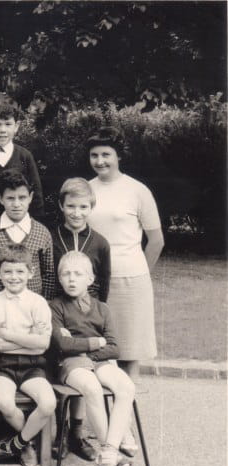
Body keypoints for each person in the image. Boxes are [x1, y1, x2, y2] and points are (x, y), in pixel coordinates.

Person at [50, 251, 135, 466]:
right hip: (70, 364)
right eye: (66, 274)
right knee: (92, 388)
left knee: (126, 387)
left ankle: (108, 454)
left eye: (78, 274)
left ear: (90, 279)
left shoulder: (102, 308)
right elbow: (63, 346)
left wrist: (83, 348)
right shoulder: (55, 307)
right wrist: (96, 342)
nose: (71, 279)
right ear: (59, 278)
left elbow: (115, 348)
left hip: (99, 360)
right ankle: (111, 460)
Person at [85, 127, 164, 382]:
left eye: (106, 154)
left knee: (129, 353)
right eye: (94, 155)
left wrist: (140, 274)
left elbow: (156, 241)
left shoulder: (137, 190)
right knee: (95, 351)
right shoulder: (85, 189)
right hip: (92, 282)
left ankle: (128, 405)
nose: (100, 161)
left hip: (130, 281)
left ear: (119, 156)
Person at [50, 177, 112, 461]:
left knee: (84, 372)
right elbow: (49, 277)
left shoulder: (100, 242)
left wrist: (93, 317)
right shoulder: (52, 236)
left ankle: (77, 433)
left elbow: (103, 285)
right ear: (61, 205)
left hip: (87, 317)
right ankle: (59, 433)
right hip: (58, 313)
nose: (76, 212)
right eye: (71, 206)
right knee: (58, 370)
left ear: (91, 207)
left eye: (83, 207)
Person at [0, 244, 56, 466]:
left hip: (33, 367)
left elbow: (42, 345)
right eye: (8, 271)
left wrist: (6, 334)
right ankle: (28, 444)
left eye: (20, 271)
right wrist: (28, 339)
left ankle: (15, 444)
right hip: (2, 366)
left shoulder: (38, 302)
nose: (13, 277)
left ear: (31, 273)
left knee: (48, 403)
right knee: (4, 402)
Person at [0, 170, 55, 300]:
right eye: (10, 198)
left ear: (30, 197)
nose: (16, 204)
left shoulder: (42, 232)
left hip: (31, 305)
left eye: (22, 198)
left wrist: (45, 303)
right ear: (0, 199)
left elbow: (48, 275)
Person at [0, 94, 44, 222]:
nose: (3, 130)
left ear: (16, 126)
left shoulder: (25, 156)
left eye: (8, 124)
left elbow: (36, 199)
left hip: (19, 227)